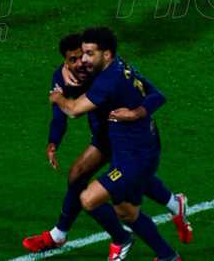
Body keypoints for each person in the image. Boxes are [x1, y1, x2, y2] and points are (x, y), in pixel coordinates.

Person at [23, 33, 192, 260]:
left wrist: (59, 97)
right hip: (112, 139)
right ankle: (60, 234)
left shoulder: (105, 76)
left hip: (132, 146)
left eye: (86, 55)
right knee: (84, 178)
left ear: (105, 55)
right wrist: (54, 141)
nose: (81, 62)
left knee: (106, 199)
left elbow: (73, 110)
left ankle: (131, 241)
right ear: (65, 61)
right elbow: (61, 115)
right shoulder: (93, 70)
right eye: (74, 59)